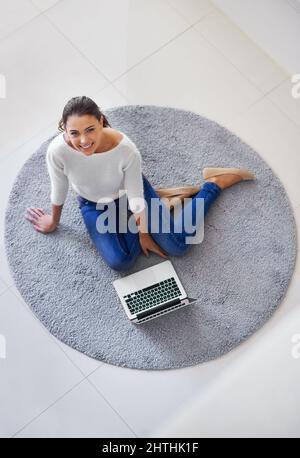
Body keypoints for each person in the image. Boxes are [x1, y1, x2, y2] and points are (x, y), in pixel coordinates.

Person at [25, 96, 255, 271]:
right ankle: (165, 204)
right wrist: (53, 222)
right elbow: (59, 189)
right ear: (64, 129)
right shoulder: (57, 152)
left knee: (178, 246)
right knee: (121, 262)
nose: (83, 141)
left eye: (90, 130)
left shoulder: (126, 150)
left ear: (101, 122)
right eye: (74, 133)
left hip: (131, 193)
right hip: (93, 204)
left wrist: (145, 234)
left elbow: (136, 197)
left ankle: (214, 184)